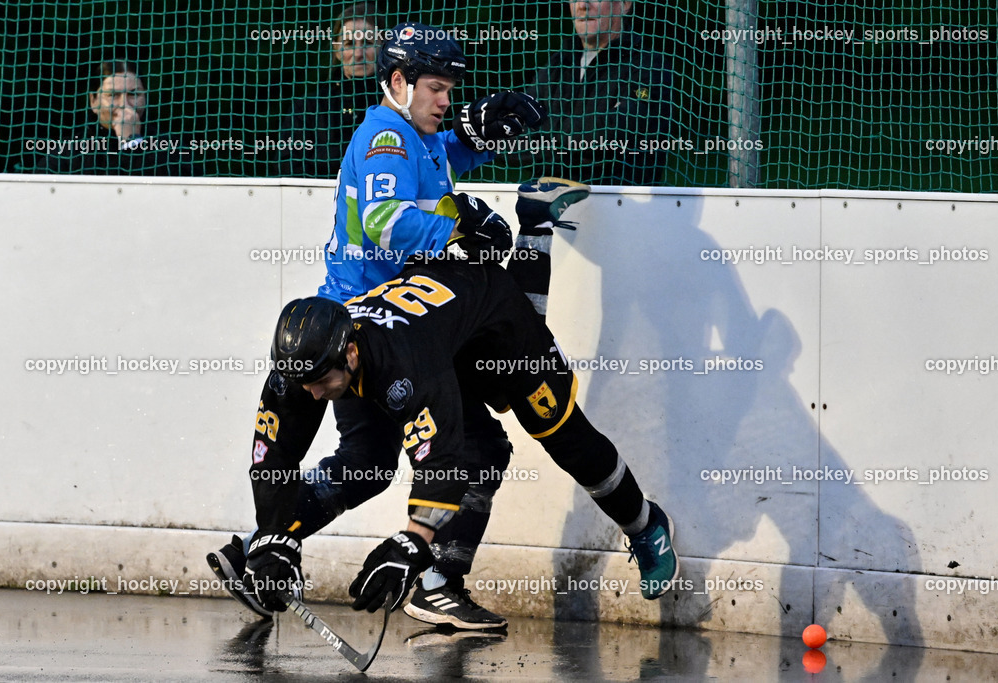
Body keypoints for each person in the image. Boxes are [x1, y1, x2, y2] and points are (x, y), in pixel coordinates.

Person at [207, 22, 551, 630]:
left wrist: (475, 139)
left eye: (450, 90)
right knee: (473, 450)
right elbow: (385, 220)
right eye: (436, 89)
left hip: (385, 322)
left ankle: (261, 550)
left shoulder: (409, 133)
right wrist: (459, 227)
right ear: (398, 82)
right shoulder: (387, 138)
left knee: (368, 458)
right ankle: (435, 582)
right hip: (371, 331)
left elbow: (434, 163)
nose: (445, 101)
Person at [253, 216, 680, 618]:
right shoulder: (301, 368)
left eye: (320, 382)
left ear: (349, 353)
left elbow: (441, 461)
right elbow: (272, 457)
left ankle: (646, 525)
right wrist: (274, 535)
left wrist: (412, 542)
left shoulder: (404, 365)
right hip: (442, 332)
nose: (312, 394)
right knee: (439, 457)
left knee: (564, 436)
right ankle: (438, 585)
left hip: (498, 326)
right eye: (301, 383)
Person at [523, 0, 675, 185]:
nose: (582, 5)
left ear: (625, 4)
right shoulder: (557, 64)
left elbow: (613, 136)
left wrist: (546, 135)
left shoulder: (648, 66)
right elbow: (513, 141)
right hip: (548, 201)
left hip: (619, 200)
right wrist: (574, 143)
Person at [33, 60, 194, 176]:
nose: (124, 104)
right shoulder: (67, 155)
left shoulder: (172, 150)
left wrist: (132, 142)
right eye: (113, 95)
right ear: (93, 101)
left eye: (133, 94)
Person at [276, 3, 381, 177]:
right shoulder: (308, 107)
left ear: (382, 47)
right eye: (349, 43)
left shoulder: (396, 105)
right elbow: (288, 165)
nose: (358, 53)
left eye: (367, 43)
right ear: (337, 50)